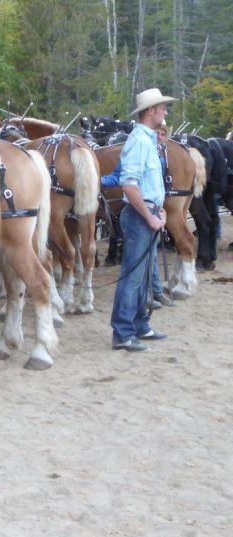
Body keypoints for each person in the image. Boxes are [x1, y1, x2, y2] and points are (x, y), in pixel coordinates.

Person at [110, 88, 175, 352]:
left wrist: (158, 210)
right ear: (151, 111)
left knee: (144, 275)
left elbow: (146, 184)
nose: (165, 112)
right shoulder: (139, 141)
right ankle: (123, 332)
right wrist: (150, 215)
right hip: (140, 216)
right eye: (163, 108)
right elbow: (129, 185)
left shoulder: (147, 139)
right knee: (133, 276)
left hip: (147, 214)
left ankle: (139, 325)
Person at [101, 121, 175, 309]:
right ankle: (151, 296)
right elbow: (121, 177)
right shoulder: (139, 148)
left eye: (163, 134)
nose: (160, 136)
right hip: (140, 210)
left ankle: (153, 294)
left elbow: (160, 188)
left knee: (149, 257)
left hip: (153, 210)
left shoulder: (160, 158)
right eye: (157, 133)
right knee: (141, 262)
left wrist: (160, 211)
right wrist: (99, 180)